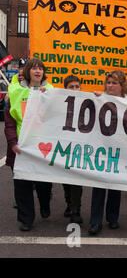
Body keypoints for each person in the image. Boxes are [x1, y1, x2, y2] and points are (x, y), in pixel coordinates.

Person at [4, 58, 54, 231]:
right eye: (34, 68)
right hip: (21, 147)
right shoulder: (16, 91)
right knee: (22, 184)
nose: (38, 71)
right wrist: (13, 143)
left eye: (41, 68)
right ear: (28, 72)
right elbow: (10, 122)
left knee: (43, 184)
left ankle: (45, 204)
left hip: (42, 146)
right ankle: (26, 219)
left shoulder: (51, 91)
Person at [88, 70, 127, 235]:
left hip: (119, 150)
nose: (110, 86)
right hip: (100, 149)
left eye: (114, 83)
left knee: (115, 187)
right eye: (108, 82)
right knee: (98, 187)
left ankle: (113, 218)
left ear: (122, 86)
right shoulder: (98, 99)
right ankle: (95, 221)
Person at [62, 75, 84, 224]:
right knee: (65, 180)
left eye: (77, 86)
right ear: (65, 89)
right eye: (71, 87)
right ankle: (69, 202)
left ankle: (76, 209)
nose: (75, 89)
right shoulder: (60, 103)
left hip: (79, 147)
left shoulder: (87, 102)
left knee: (76, 180)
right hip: (63, 146)